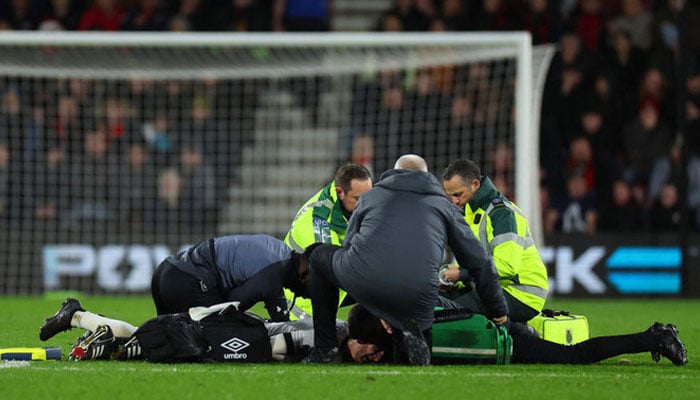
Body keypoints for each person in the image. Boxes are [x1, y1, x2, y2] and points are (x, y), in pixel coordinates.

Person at [304, 154, 508, 364]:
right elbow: (480, 262)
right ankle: (409, 336)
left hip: (366, 279)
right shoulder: (444, 207)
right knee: (414, 350)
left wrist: (373, 299)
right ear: (427, 176)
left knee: (317, 256)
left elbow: (349, 247)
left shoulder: (370, 197)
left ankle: (326, 348)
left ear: (394, 172)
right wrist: (497, 310)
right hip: (419, 293)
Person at [37, 298, 374, 364]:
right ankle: (78, 316)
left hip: (243, 326)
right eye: (372, 349)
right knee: (149, 339)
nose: (373, 357)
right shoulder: (329, 335)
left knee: (145, 335)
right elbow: (282, 342)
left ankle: (78, 316)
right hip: (238, 333)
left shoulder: (336, 328)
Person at [347, 304, 688, 366]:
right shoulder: (406, 311)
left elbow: (460, 315)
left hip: (499, 336)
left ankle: (653, 337)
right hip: (496, 328)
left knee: (575, 356)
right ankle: (651, 337)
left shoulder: (408, 336)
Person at [441, 159, 549, 323]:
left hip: (522, 293)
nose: (455, 201)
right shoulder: (471, 211)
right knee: (434, 302)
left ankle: (518, 332)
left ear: (475, 184)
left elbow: (506, 266)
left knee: (448, 313)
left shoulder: (502, 214)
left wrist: (461, 273)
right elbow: (478, 262)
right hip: (493, 287)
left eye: (458, 194)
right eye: (451, 196)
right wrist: (453, 279)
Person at [282, 163, 372, 319]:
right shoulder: (318, 221)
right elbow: (336, 271)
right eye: (358, 199)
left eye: (368, 197)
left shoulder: (347, 206)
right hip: (302, 303)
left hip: (328, 284)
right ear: (340, 192)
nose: (365, 204)